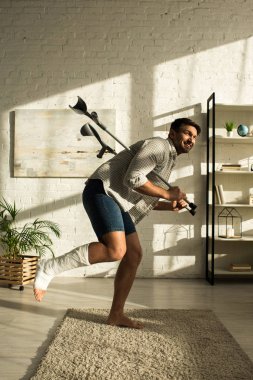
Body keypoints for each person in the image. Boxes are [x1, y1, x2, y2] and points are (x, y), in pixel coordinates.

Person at [34, 117, 201, 329]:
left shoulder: (169, 159)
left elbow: (142, 198)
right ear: (173, 133)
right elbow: (133, 179)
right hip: (102, 190)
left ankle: (116, 315)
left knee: (133, 254)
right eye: (187, 133)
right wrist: (168, 194)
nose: (191, 139)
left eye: (194, 137)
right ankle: (49, 266)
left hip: (118, 200)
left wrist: (169, 204)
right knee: (115, 251)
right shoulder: (158, 146)